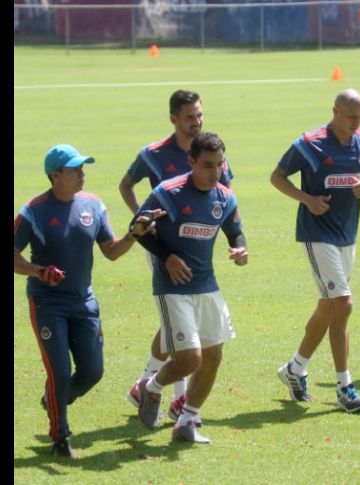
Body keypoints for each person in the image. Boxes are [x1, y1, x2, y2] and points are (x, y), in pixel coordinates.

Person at [13, 144, 163, 458]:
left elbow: (111, 251)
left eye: (83, 168)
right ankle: (60, 438)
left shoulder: (93, 206)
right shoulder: (34, 210)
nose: (82, 174)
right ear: (56, 175)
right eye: (75, 169)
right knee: (58, 369)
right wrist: (39, 271)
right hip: (47, 303)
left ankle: (55, 397)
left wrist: (135, 234)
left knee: (93, 371)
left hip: (84, 303)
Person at [119, 89, 233, 426]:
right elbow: (126, 184)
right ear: (174, 119)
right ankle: (165, 392)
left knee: (182, 326)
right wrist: (143, 221)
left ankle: (151, 386)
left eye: (199, 115)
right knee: (181, 325)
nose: (196, 122)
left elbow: (223, 198)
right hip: (161, 245)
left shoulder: (211, 152)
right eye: (189, 117)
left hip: (196, 249)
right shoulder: (154, 154)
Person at [271, 88, 360, 413]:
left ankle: (294, 369)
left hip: (347, 235)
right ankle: (344, 387)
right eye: (351, 117)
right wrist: (308, 199)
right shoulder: (310, 144)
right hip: (317, 234)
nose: (356, 124)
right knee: (343, 304)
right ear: (335, 111)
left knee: (328, 307)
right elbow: (277, 177)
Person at [133, 132, 248, 444]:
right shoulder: (167, 193)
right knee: (189, 359)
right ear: (191, 162)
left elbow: (235, 232)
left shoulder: (224, 197)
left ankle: (186, 421)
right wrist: (166, 256)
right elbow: (138, 228)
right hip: (172, 288)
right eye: (208, 165)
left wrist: (241, 249)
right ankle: (151, 387)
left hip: (207, 285)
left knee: (213, 355)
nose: (215, 172)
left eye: (220, 165)